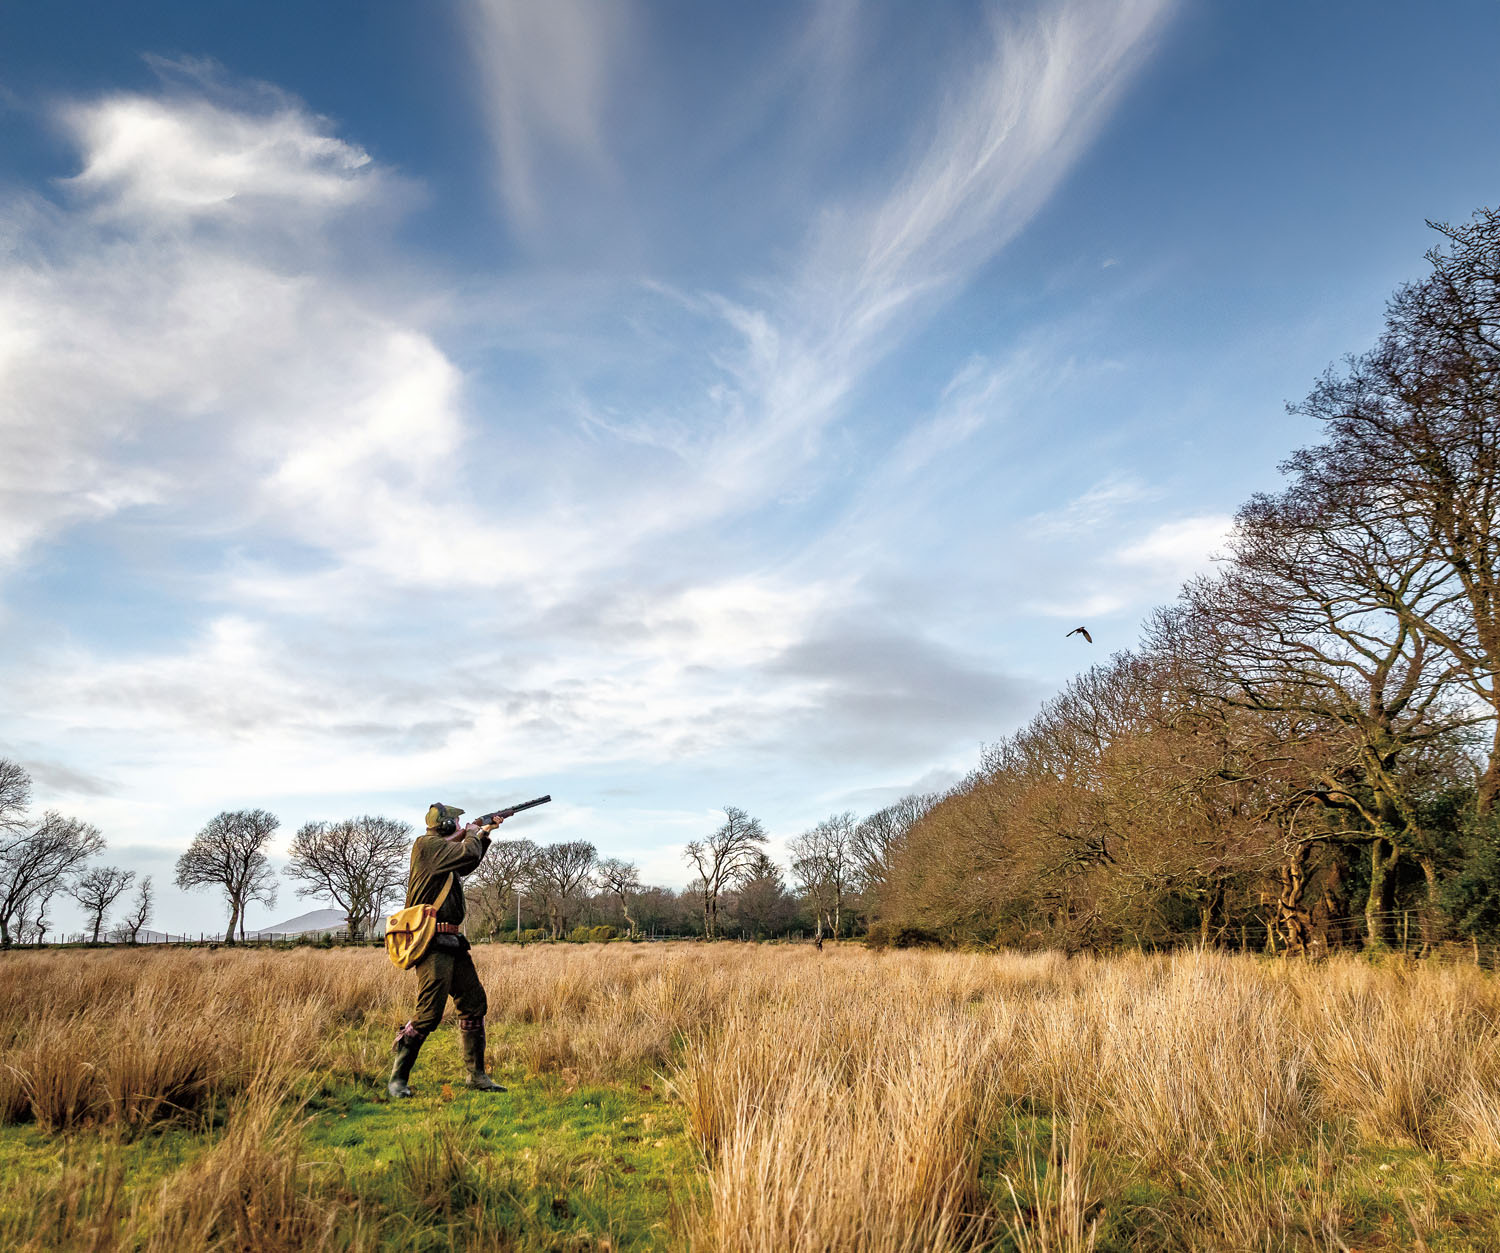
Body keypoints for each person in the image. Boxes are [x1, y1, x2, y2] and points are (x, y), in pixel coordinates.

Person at [388, 802, 507, 1099]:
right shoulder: (426, 845)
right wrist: (473, 834)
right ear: (444, 825)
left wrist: (484, 834)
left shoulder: (443, 856)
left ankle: (476, 1076)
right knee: (428, 1014)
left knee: (474, 1003)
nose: (458, 824)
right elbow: (467, 851)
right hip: (431, 943)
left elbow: (468, 862)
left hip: (453, 941)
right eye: (455, 821)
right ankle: (397, 1080)